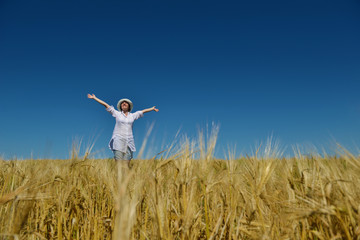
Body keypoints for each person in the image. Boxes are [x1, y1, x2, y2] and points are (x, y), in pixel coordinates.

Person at [87, 93, 159, 166]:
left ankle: (125, 176)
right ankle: (118, 176)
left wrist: (152, 109)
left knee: (126, 164)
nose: (124, 103)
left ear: (129, 106)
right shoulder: (117, 114)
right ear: (120, 106)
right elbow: (106, 105)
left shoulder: (133, 115)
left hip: (129, 141)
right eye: (122, 103)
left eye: (126, 103)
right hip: (118, 139)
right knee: (118, 162)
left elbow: (143, 111)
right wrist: (95, 98)